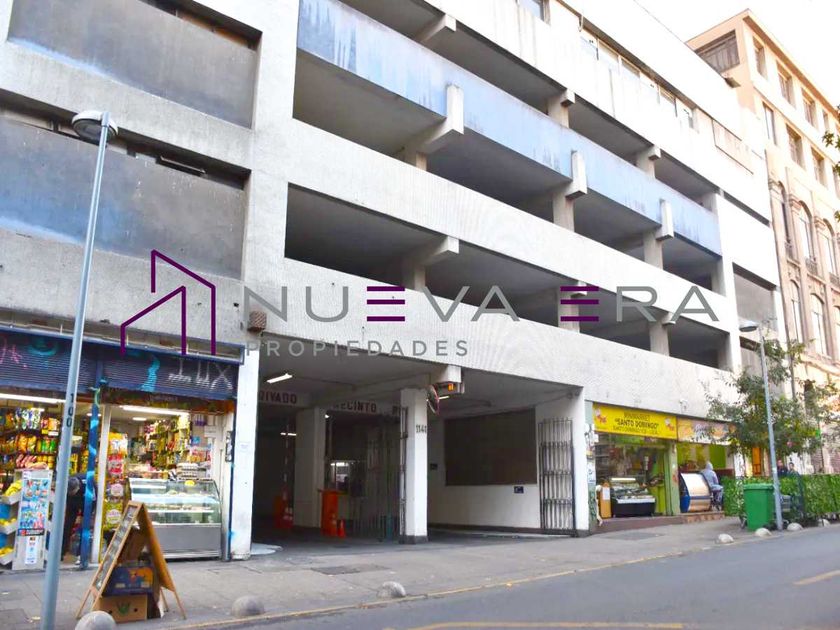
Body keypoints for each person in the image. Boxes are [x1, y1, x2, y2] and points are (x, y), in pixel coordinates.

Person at [62, 472, 94, 558]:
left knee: (85, 527)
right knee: (67, 526)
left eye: (73, 492)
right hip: (72, 502)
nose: (72, 493)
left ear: (78, 487)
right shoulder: (68, 482)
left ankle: (80, 554)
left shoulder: (88, 483)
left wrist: (87, 514)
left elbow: (93, 500)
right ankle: (62, 551)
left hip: (87, 501)